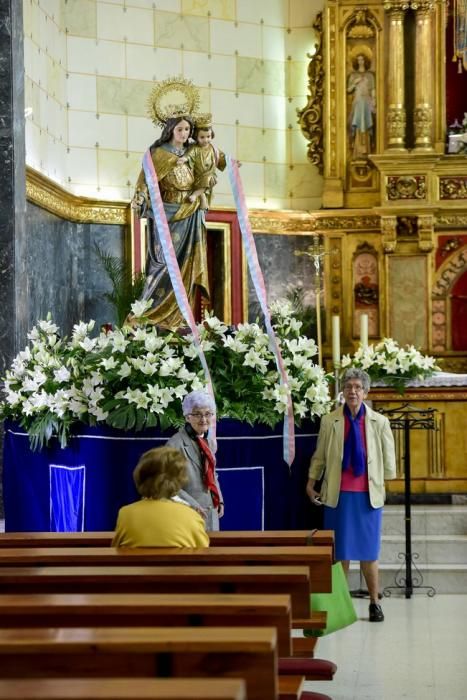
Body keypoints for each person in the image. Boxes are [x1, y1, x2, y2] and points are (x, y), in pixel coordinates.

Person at [306, 368, 396, 622]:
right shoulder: (330, 420)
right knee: (340, 553)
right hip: (338, 495)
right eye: (348, 387)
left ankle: (374, 602)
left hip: (368, 496)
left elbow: (388, 460)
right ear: (342, 392)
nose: (352, 391)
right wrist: (311, 482)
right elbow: (320, 456)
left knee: (369, 552)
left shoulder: (380, 422)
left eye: (357, 387)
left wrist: (384, 482)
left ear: (366, 392)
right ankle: (340, 606)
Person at [132, 114, 210, 330]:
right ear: (170, 130)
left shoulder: (193, 152)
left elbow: (208, 170)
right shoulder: (158, 153)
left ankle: (177, 317)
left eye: (187, 130)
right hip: (164, 212)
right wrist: (139, 196)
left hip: (189, 210)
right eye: (180, 130)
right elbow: (145, 178)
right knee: (164, 263)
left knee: (186, 263)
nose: (184, 134)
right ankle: (151, 314)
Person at [112, 445, 209, 548]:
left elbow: (116, 550)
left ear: (140, 476)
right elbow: (203, 554)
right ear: (181, 479)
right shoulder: (192, 517)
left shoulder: (126, 514)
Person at [166, 389, 224, 531]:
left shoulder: (208, 442)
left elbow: (212, 475)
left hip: (211, 513)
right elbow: (169, 485)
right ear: (187, 417)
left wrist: (219, 500)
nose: (203, 419)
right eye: (197, 414)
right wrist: (193, 506)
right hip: (187, 516)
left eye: (208, 414)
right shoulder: (174, 444)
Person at [179, 116, 226, 211]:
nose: (206, 140)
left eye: (208, 137)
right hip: (198, 176)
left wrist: (233, 163)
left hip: (209, 176)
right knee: (205, 182)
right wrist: (184, 159)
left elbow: (223, 158)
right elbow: (189, 155)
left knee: (208, 179)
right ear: (196, 137)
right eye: (202, 137)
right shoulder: (195, 148)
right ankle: (199, 195)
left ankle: (198, 195)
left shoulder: (214, 149)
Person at [347, 52, 376, 159]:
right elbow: (348, 90)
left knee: (367, 122)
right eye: (359, 60)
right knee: (357, 123)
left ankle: (367, 147)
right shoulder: (353, 75)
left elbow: (373, 90)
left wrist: (374, 100)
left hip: (367, 102)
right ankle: (358, 149)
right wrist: (355, 82)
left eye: (362, 60)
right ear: (356, 62)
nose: (360, 62)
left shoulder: (370, 75)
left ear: (365, 61)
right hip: (358, 102)